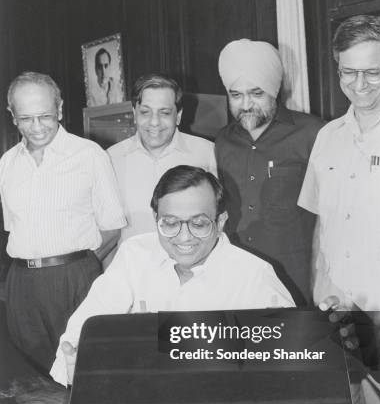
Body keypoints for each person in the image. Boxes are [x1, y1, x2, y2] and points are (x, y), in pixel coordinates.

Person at [50, 165, 295, 386]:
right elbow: (81, 330)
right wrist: (76, 361)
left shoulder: (255, 274)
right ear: (156, 219)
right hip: (141, 400)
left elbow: (293, 359)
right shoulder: (134, 255)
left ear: (221, 222)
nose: (184, 237)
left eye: (198, 224)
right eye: (170, 223)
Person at [298, 14, 380, 404]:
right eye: (348, 73)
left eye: (372, 73)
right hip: (341, 310)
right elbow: (321, 223)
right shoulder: (328, 137)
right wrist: (319, 287)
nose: (359, 86)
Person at [1, 72, 126, 373]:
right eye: (26, 118)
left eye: (45, 116)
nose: (37, 127)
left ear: (59, 109)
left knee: (80, 370)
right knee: (32, 379)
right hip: (22, 286)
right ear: (13, 117)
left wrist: (80, 266)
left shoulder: (89, 154)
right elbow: (13, 229)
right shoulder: (6, 163)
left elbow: (112, 226)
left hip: (75, 277)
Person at [215, 39, 325, 306]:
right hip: (238, 277)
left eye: (256, 93)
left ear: (274, 90)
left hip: (295, 279)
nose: (246, 105)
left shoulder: (313, 133)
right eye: (236, 95)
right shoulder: (222, 141)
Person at [108, 73, 217, 241]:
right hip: (132, 264)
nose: (154, 122)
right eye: (145, 112)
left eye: (164, 113)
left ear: (178, 115)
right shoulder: (111, 158)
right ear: (134, 113)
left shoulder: (206, 153)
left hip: (191, 263)